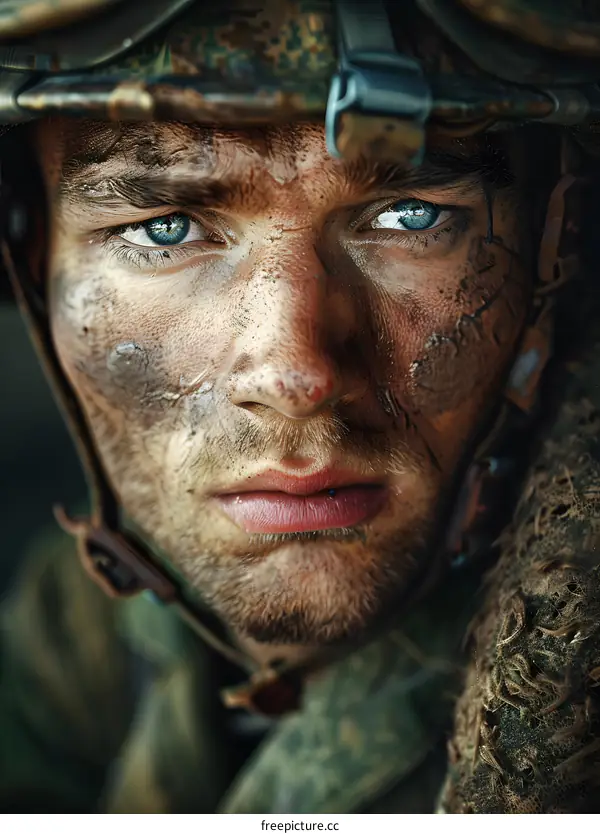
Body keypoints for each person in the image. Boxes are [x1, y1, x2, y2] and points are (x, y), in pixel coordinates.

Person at [1, 0, 599, 813]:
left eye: (409, 217)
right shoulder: (79, 623)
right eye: (167, 229)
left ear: (550, 248)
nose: (294, 376)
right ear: (35, 263)